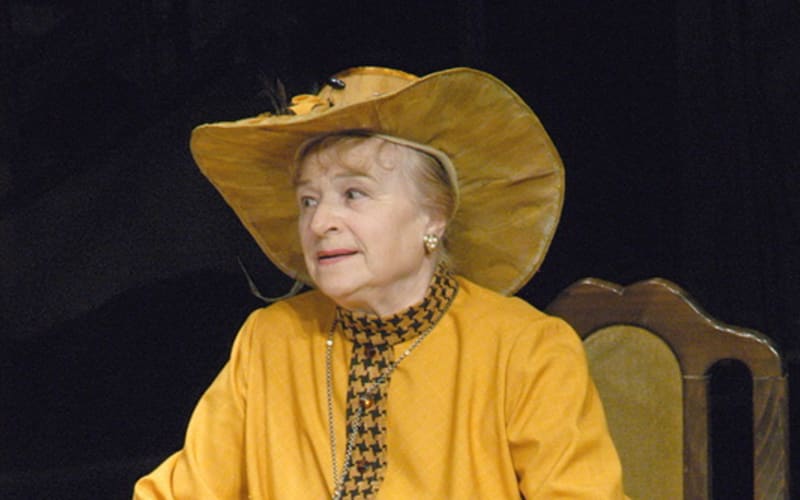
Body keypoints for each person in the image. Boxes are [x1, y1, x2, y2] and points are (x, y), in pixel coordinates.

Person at [134, 67, 626, 498]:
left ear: (435, 215)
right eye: (308, 201)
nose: (320, 222)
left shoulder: (526, 350)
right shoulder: (270, 340)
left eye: (354, 194)